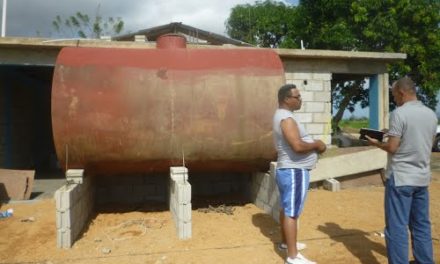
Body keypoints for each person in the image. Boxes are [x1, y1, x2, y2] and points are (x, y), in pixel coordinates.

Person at [366, 77, 437, 264]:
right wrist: (391, 133)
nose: (394, 97)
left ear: (402, 93)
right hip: (421, 178)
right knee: (421, 225)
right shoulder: (431, 114)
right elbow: (420, 141)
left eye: (394, 94)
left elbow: (392, 148)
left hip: (400, 178)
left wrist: (377, 143)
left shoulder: (399, 113)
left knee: (397, 227)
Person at [273, 84, 327, 264]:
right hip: (294, 170)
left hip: (288, 169)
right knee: (292, 212)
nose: (300, 99)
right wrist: (317, 144)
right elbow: (297, 146)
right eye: (297, 97)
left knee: (286, 207)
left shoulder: (283, 116)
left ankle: (285, 244)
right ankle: (293, 256)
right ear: (286, 99)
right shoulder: (286, 119)